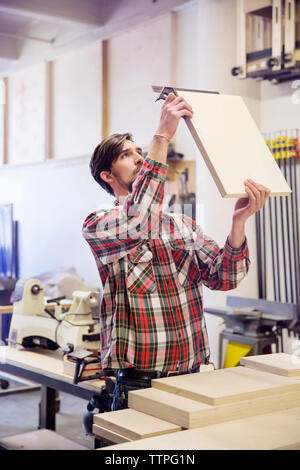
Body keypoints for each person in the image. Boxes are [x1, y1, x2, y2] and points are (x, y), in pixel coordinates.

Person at [82, 93, 270, 389]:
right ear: (107, 175)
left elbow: (225, 277)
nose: (140, 157)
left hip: (193, 374)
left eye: (140, 151)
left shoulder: (181, 225)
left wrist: (239, 222)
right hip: (138, 382)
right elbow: (138, 220)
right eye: (126, 155)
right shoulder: (99, 225)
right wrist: (161, 137)